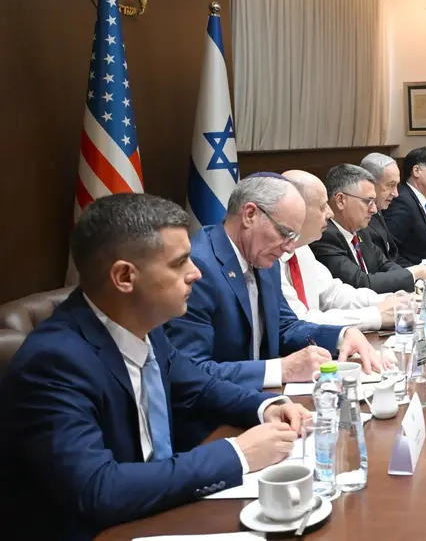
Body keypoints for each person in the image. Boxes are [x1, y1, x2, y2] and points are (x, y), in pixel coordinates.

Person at [0, 194, 312, 539]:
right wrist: (238, 454)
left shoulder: (146, 329)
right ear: (124, 277)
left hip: (155, 512)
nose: (196, 273)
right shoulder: (54, 363)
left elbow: (200, 386)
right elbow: (98, 490)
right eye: (179, 263)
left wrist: (268, 406)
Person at [164, 173, 378, 435]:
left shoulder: (263, 256)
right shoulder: (200, 269)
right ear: (250, 214)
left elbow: (284, 326)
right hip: (211, 427)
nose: (289, 248)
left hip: (264, 407)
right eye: (285, 233)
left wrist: (341, 335)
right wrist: (281, 369)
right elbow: (191, 371)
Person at [280, 170, 407, 333]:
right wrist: (376, 315)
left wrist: (390, 301)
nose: (330, 213)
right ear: (295, 209)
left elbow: (333, 294)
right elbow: (300, 321)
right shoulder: (270, 256)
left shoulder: (302, 249)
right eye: (322, 206)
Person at [311, 163, 425, 293]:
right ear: (341, 200)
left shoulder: (361, 231)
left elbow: (384, 264)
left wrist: (413, 277)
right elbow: (360, 282)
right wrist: (414, 274)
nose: (374, 210)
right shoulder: (325, 236)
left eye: (374, 202)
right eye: (368, 201)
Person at [383, 147, 426, 265]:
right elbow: (390, 251)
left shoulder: (425, 200)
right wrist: (416, 273)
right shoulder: (402, 202)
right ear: (416, 171)